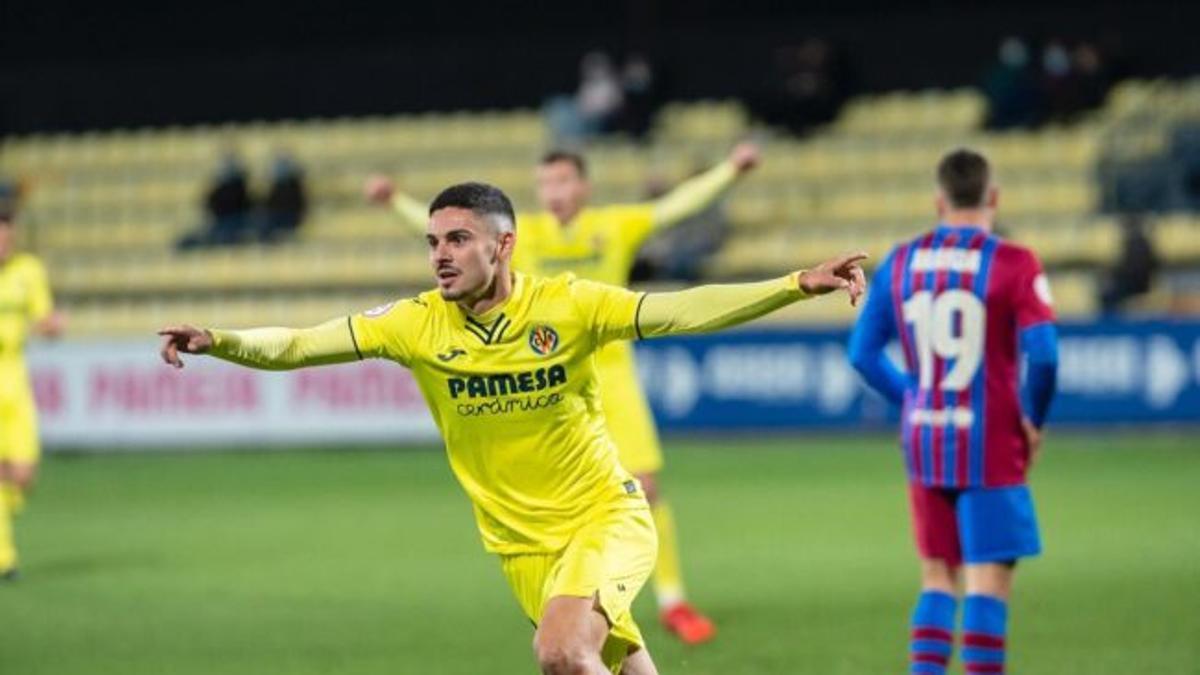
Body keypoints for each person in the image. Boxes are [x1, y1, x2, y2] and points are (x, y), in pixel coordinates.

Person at [159, 182, 866, 674]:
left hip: (603, 517)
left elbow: (681, 309)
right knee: (612, 663)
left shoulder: (569, 305)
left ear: (503, 245)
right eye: (432, 241)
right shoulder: (414, 324)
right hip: (520, 547)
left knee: (562, 653)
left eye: (458, 239)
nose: (439, 254)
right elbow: (296, 344)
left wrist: (792, 284)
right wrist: (219, 340)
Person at [365, 143, 760, 643]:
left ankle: (673, 601)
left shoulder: (614, 226)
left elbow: (674, 208)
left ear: (583, 186)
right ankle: (590, 605)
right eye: (545, 183)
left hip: (611, 375)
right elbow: (451, 240)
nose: (553, 192)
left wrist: (729, 170)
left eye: (562, 181)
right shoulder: (522, 235)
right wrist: (395, 201)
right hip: (553, 379)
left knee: (646, 488)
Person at [848, 148, 1059, 675]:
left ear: (938, 201)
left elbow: (862, 353)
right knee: (987, 584)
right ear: (993, 197)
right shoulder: (1014, 262)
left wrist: (915, 398)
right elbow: (1045, 355)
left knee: (938, 577)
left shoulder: (901, 261)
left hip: (924, 438)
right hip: (990, 441)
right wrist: (1034, 419)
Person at [0, 197, 66, 581]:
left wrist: (52, 326)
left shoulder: (29, 270)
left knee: (22, 475)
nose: (2, 245)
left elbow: (43, 319)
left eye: (6, 238)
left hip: (14, 380)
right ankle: (5, 558)